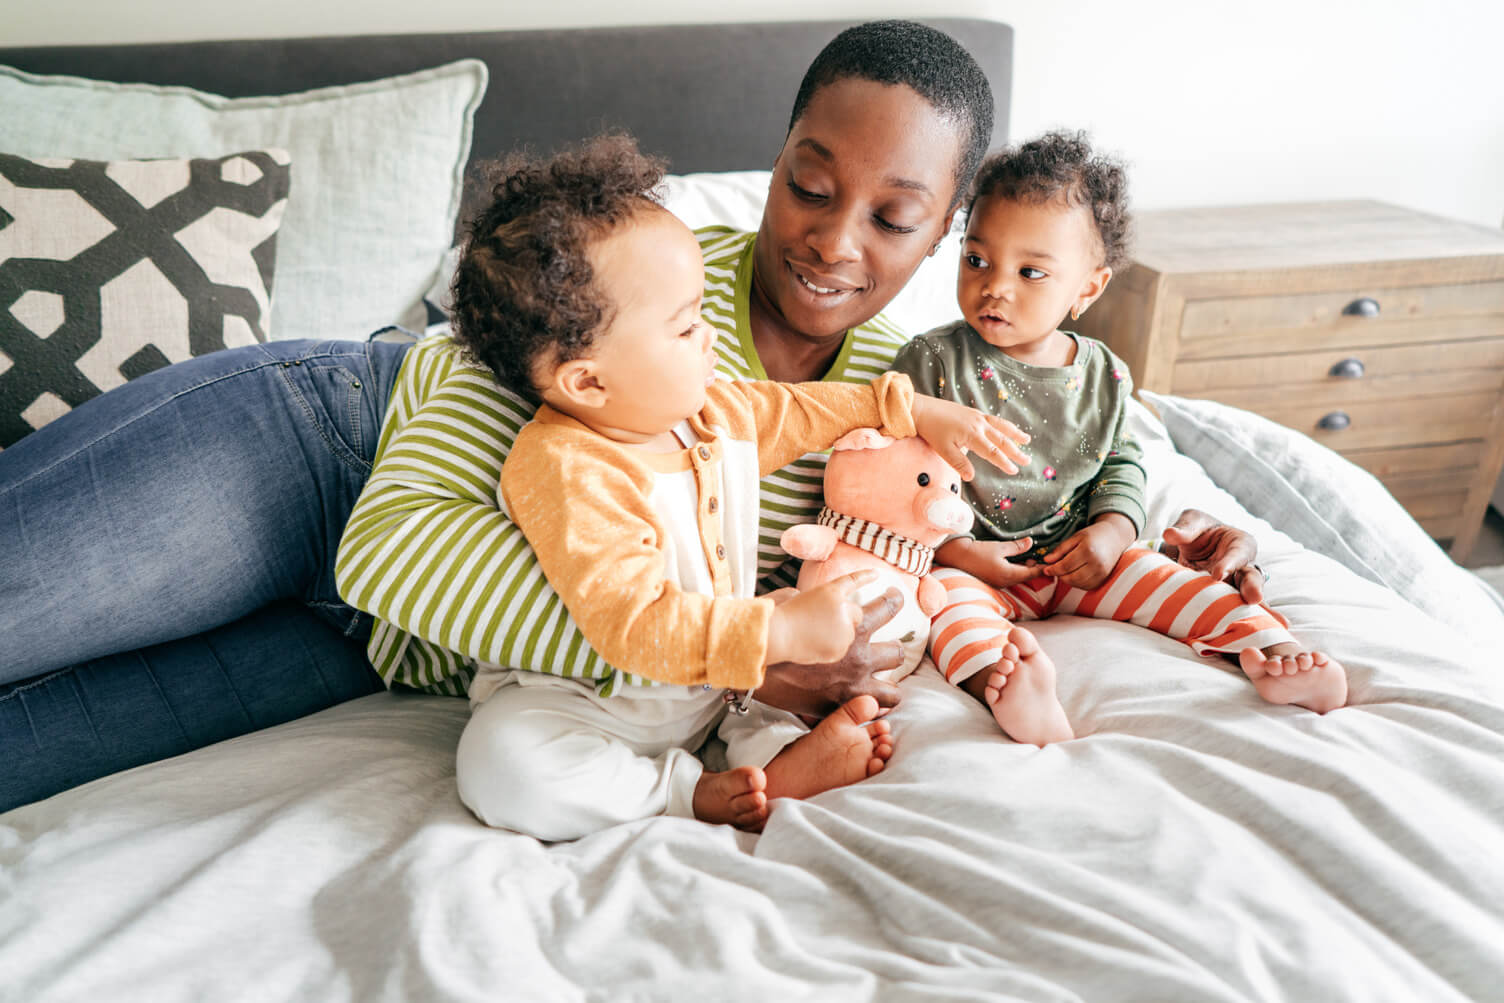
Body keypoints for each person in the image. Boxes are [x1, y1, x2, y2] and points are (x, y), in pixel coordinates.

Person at [0, 19, 1267, 815]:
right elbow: (390, 546)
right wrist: (726, 642)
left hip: (375, 653)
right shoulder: (636, 275)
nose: (831, 241)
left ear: (948, 230)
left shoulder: (907, 374)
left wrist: (1143, 521)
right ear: (775, 161)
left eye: (892, 217)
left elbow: (1105, 418)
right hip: (315, 454)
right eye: (808, 185)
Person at [446, 137, 1030, 837]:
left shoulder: (705, 408)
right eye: (686, 325)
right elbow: (632, 622)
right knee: (500, 760)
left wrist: (905, 407)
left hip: (718, 686)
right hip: (598, 703)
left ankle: (778, 756)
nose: (710, 337)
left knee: (798, 656)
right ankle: (686, 792)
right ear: (588, 381)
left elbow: (799, 411)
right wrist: (777, 628)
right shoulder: (565, 466)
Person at [890, 131, 1349, 746]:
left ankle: (1267, 649)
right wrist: (952, 551)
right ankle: (1008, 686)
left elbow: (1123, 464)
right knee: (945, 608)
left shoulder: (1103, 374)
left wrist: (1112, 532)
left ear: (1088, 288)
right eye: (977, 260)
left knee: (1177, 584)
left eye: (1031, 272)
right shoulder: (931, 361)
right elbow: (901, 474)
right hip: (979, 564)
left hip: (1081, 559)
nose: (995, 286)